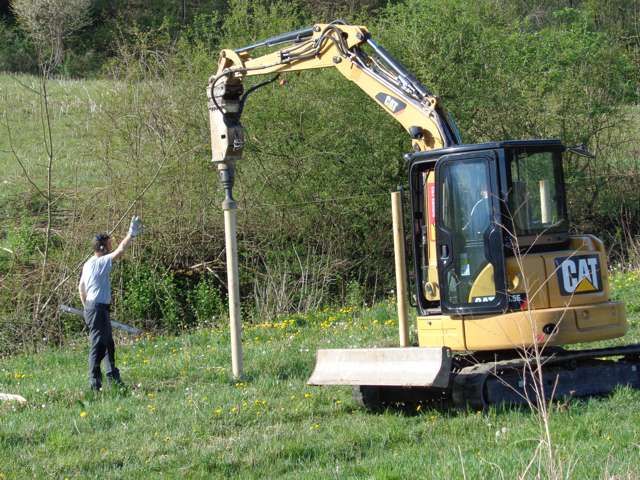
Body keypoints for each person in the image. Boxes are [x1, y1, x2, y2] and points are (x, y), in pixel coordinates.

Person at [78, 216, 143, 391]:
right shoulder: (100, 263)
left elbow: (81, 288)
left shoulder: (88, 264)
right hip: (97, 309)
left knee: (107, 344)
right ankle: (94, 383)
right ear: (102, 247)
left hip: (95, 308)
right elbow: (120, 251)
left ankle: (113, 379)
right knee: (98, 345)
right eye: (108, 245)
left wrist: (86, 308)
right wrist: (131, 233)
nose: (110, 247)